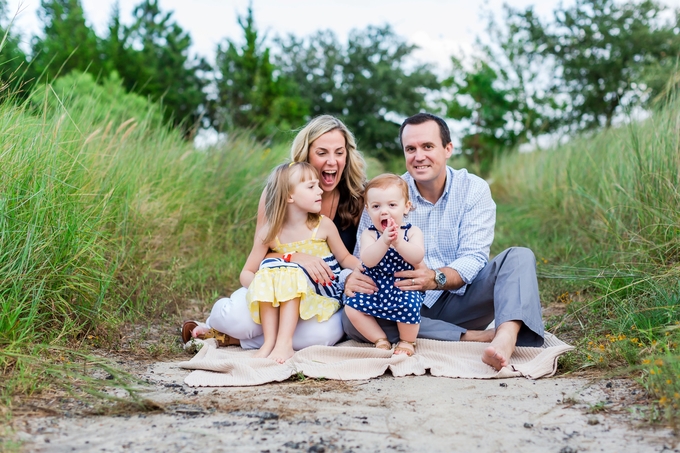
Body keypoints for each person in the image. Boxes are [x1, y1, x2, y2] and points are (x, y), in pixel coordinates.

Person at [342, 112, 544, 371]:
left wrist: (434, 278)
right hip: (401, 300)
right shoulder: (386, 196)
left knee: (519, 256)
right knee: (350, 321)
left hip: (460, 297)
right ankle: (472, 336)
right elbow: (362, 257)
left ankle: (505, 336)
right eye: (410, 149)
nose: (419, 156)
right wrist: (349, 278)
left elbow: (474, 257)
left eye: (428, 146)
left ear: (448, 148)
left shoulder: (473, 188)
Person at [182, 115, 366, 350]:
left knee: (321, 337)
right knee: (233, 319)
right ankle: (228, 329)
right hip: (274, 287)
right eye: (322, 153)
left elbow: (352, 259)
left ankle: (232, 339)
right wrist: (294, 258)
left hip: (320, 296)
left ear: (347, 155)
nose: (332, 161)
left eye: (339, 152)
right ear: (306, 155)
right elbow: (258, 259)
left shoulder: (358, 199)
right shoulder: (277, 196)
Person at [240, 162, 359, 362]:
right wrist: (264, 287)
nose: (320, 190)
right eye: (311, 187)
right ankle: (270, 342)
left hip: (322, 291)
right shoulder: (269, 233)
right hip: (284, 297)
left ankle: (284, 344)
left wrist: (366, 268)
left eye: (317, 185)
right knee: (269, 275)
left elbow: (345, 258)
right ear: (289, 196)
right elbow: (247, 273)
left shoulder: (323, 226)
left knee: (288, 274)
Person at [344, 174, 424, 356]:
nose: (384, 211)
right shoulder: (369, 234)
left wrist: (398, 243)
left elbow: (417, 257)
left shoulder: (412, 232)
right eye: (376, 206)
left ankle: (407, 340)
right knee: (352, 307)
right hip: (375, 286)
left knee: (410, 306)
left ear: (406, 207)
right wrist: (384, 242)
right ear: (368, 210)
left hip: (402, 286)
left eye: (392, 205)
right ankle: (379, 338)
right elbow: (368, 259)